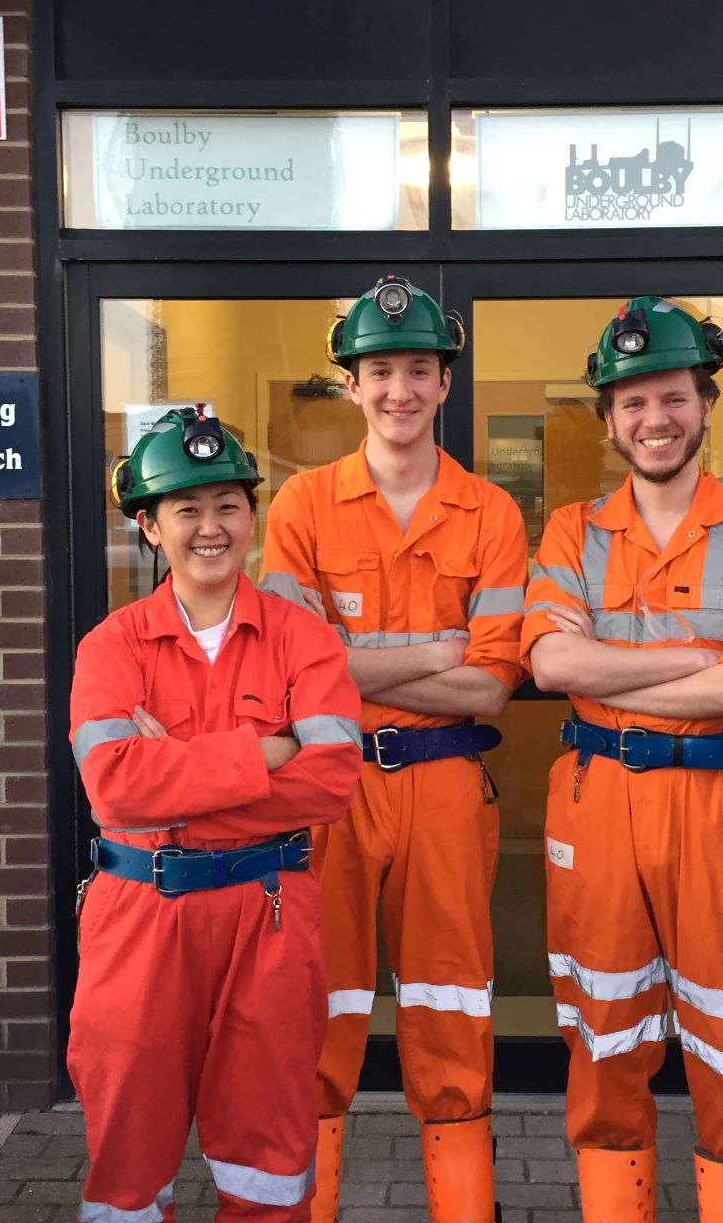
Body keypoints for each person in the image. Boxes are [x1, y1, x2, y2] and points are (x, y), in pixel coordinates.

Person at [522, 296, 723, 1222]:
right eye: (634, 403)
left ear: (707, 405)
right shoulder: (571, 531)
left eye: (674, 397)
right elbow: (551, 662)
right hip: (597, 800)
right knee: (603, 1039)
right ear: (609, 418)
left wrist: (616, 674)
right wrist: (700, 657)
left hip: (719, 798)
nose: (656, 420)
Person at [258, 275, 527, 1222]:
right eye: (381, 371)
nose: (400, 390)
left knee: (452, 1012)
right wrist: (429, 652)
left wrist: (345, 662)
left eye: (419, 370)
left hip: (447, 781)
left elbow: (490, 683)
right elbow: (293, 675)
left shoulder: (491, 514)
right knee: (318, 1013)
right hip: (328, 784)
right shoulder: (301, 506)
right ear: (352, 383)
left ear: (445, 382)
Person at [67, 408, 362, 1223]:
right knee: (128, 1156)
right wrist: (262, 750)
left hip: (268, 913)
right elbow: (115, 790)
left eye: (229, 504)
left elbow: (331, 781)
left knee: (269, 1155)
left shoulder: (305, 641)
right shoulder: (111, 647)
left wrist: (179, 768)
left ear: (252, 517)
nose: (211, 527)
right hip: (140, 919)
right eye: (186, 509)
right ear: (150, 527)